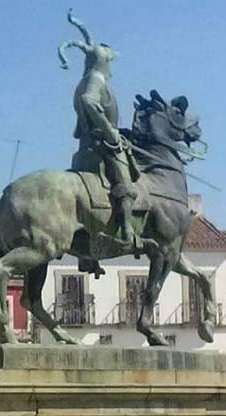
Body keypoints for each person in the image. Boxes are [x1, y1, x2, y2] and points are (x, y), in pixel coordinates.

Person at [59, 10, 142, 262]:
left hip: (85, 147)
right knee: (125, 185)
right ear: (104, 62)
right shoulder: (95, 80)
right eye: (110, 61)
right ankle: (127, 230)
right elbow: (88, 101)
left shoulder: (85, 80)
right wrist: (110, 131)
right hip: (102, 146)